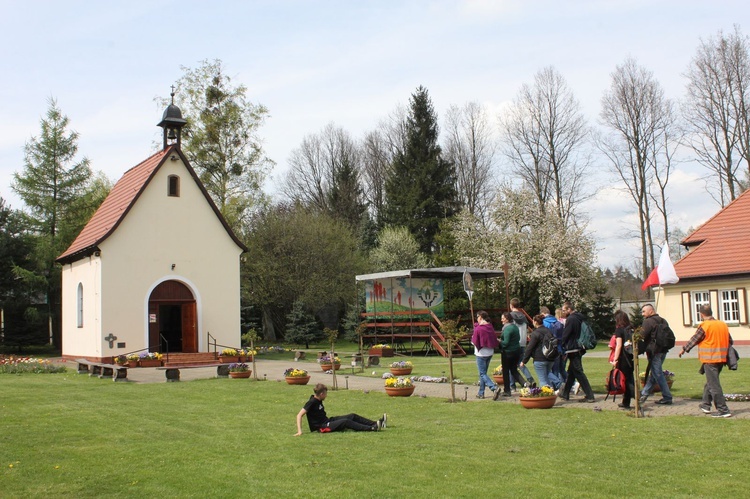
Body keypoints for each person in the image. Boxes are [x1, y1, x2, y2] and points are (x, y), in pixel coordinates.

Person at [678, 305, 733, 418]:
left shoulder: (705, 325)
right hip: (721, 358)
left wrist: (684, 349)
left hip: (710, 358)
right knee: (711, 381)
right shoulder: (722, 324)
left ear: (701, 314)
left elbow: (695, 339)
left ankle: (723, 410)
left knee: (714, 385)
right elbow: (730, 340)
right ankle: (705, 404)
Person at [295, 383, 386, 435]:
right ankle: (372, 428)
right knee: (345, 421)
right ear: (322, 394)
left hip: (327, 421)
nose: (327, 395)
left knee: (352, 416)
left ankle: (376, 423)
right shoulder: (312, 402)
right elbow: (299, 415)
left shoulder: (318, 400)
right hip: (322, 427)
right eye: (326, 393)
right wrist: (299, 431)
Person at [558, 301, 596, 403]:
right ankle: (565, 393)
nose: (563, 312)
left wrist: (561, 344)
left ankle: (590, 395)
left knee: (578, 372)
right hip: (579, 347)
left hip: (573, 348)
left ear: (569, 309)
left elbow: (566, 334)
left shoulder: (571, 319)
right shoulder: (580, 318)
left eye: (564, 310)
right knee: (572, 372)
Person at [639, 304, 673, 405]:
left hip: (654, 351)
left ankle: (667, 397)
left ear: (651, 311)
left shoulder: (648, 322)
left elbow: (641, 335)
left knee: (658, 374)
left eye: (644, 311)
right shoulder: (663, 320)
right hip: (664, 350)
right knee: (654, 374)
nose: (642, 314)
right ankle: (644, 393)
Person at [493, 312, 530, 400]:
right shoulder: (515, 327)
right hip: (516, 351)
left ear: (507, 319)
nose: (501, 320)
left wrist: (498, 341)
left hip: (508, 352)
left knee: (505, 371)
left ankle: (507, 391)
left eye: (502, 318)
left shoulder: (508, 329)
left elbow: (505, 343)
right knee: (513, 370)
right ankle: (524, 383)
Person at [520, 314, 555, 388]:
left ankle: (547, 394)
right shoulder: (548, 330)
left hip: (539, 359)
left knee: (542, 380)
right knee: (547, 376)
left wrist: (524, 361)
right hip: (550, 357)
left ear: (535, 322)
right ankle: (554, 389)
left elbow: (530, 348)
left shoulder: (535, 333)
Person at [471, 310, 500, 399]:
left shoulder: (479, 328)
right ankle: (481, 393)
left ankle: (493, 388)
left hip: (481, 354)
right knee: (483, 374)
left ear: (481, 317)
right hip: (489, 353)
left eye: (477, 317)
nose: (477, 319)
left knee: (482, 374)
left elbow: (474, 341)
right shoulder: (490, 327)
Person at [610, 310, 635, 409]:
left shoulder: (619, 330)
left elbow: (619, 345)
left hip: (623, 358)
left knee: (625, 380)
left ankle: (636, 396)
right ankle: (626, 402)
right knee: (629, 378)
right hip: (630, 356)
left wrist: (615, 359)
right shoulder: (631, 328)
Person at [509, 298, 536, 387]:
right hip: (523, 342)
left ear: (511, 306)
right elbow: (527, 328)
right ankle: (530, 379)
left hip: (514, 343)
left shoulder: (510, 316)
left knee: (511, 365)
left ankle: (512, 385)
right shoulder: (523, 317)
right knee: (521, 363)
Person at [541, 306, 565, 389]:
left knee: (547, 369)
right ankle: (559, 386)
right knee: (558, 369)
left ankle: (557, 385)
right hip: (559, 347)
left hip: (550, 348)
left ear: (542, 314)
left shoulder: (545, 322)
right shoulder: (557, 321)